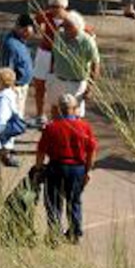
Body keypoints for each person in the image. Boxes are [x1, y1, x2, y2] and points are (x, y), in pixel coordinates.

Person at [35, 93, 96, 242]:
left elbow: (41, 151)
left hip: (56, 166)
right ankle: (75, 233)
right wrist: (88, 170)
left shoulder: (51, 127)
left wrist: (38, 169)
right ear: (75, 109)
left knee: (54, 201)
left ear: (59, 110)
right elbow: (91, 150)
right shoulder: (84, 127)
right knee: (74, 200)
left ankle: (54, 234)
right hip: (77, 168)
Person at [49, 11, 100, 120]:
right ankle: (56, 132)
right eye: (64, 25)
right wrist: (51, 73)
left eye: (68, 26)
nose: (64, 28)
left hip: (76, 84)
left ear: (76, 27)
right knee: (55, 108)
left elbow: (95, 64)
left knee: (75, 112)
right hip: (58, 79)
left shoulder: (87, 41)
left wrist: (90, 87)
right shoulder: (59, 35)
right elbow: (54, 53)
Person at [0, 14, 35, 115]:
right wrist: (11, 90)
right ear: (19, 28)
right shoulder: (11, 45)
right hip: (15, 88)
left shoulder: (20, 39)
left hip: (22, 86)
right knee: (15, 116)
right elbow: (7, 71)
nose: (29, 35)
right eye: (26, 31)